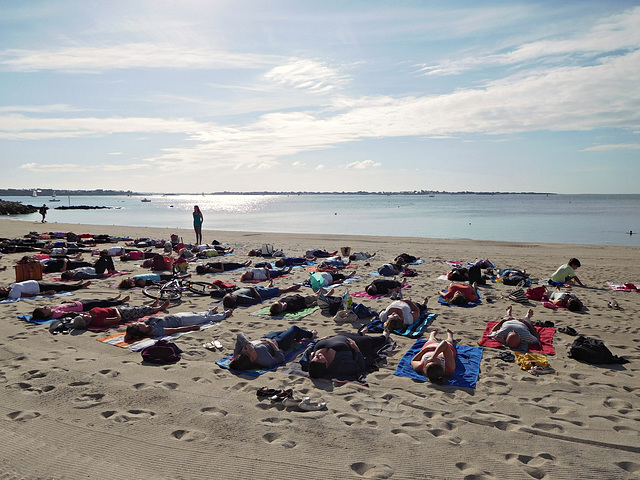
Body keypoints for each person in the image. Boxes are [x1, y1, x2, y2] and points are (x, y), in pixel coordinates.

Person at [306, 331, 390, 379]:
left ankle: (361, 333)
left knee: (344, 333)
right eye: (319, 358)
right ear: (327, 365)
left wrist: (320, 340)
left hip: (340, 336)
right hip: (355, 343)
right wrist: (356, 349)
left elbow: (309, 350)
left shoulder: (311, 361)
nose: (318, 355)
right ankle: (384, 336)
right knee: (369, 340)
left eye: (315, 358)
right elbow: (360, 367)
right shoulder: (340, 365)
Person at [229, 326, 317, 370]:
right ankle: (311, 334)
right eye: (248, 353)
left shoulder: (238, 355)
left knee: (288, 332)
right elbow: (280, 358)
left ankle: (297, 337)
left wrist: (248, 346)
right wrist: (273, 345)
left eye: (244, 351)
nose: (246, 350)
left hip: (265, 338)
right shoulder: (264, 360)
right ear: (252, 359)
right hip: (279, 343)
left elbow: (240, 335)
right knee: (294, 329)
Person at [124, 307, 232, 341]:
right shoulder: (155, 331)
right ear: (141, 330)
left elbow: (128, 335)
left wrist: (129, 333)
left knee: (196, 314)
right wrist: (191, 328)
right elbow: (174, 331)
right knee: (204, 318)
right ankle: (224, 315)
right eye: (138, 325)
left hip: (176, 316)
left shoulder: (148, 323)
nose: (140, 323)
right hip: (182, 321)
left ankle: (210, 311)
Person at [71, 300, 170, 329]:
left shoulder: (91, 313)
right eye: (84, 317)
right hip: (121, 313)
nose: (84, 314)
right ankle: (158, 308)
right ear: (87, 321)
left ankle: (151, 307)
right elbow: (118, 319)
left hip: (117, 310)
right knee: (138, 311)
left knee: (136, 308)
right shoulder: (97, 321)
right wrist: (116, 310)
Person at [32, 295, 130, 320]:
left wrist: (66, 302)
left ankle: (112, 299)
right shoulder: (55, 314)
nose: (45, 307)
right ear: (45, 315)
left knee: (97, 300)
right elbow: (67, 313)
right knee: (100, 303)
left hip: (78, 303)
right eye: (44, 309)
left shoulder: (52, 308)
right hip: (82, 307)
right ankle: (120, 301)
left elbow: (63, 305)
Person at [222, 282, 301, 308]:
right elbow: (258, 300)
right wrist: (253, 289)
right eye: (231, 295)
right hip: (258, 291)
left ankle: (268, 286)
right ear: (234, 299)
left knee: (264, 288)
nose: (231, 294)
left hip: (253, 288)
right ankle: (289, 288)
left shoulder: (230, 296)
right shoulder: (242, 298)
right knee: (274, 290)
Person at [0, 280, 91, 300]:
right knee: (60, 287)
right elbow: (30, 296)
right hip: (40, 288)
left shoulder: (10, 287)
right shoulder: (13, 293)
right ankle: (80, 286)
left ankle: (75, 285)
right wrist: (45, 293)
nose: (1, 288)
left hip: (37, 283)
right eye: (0, 290)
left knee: (59, 285)